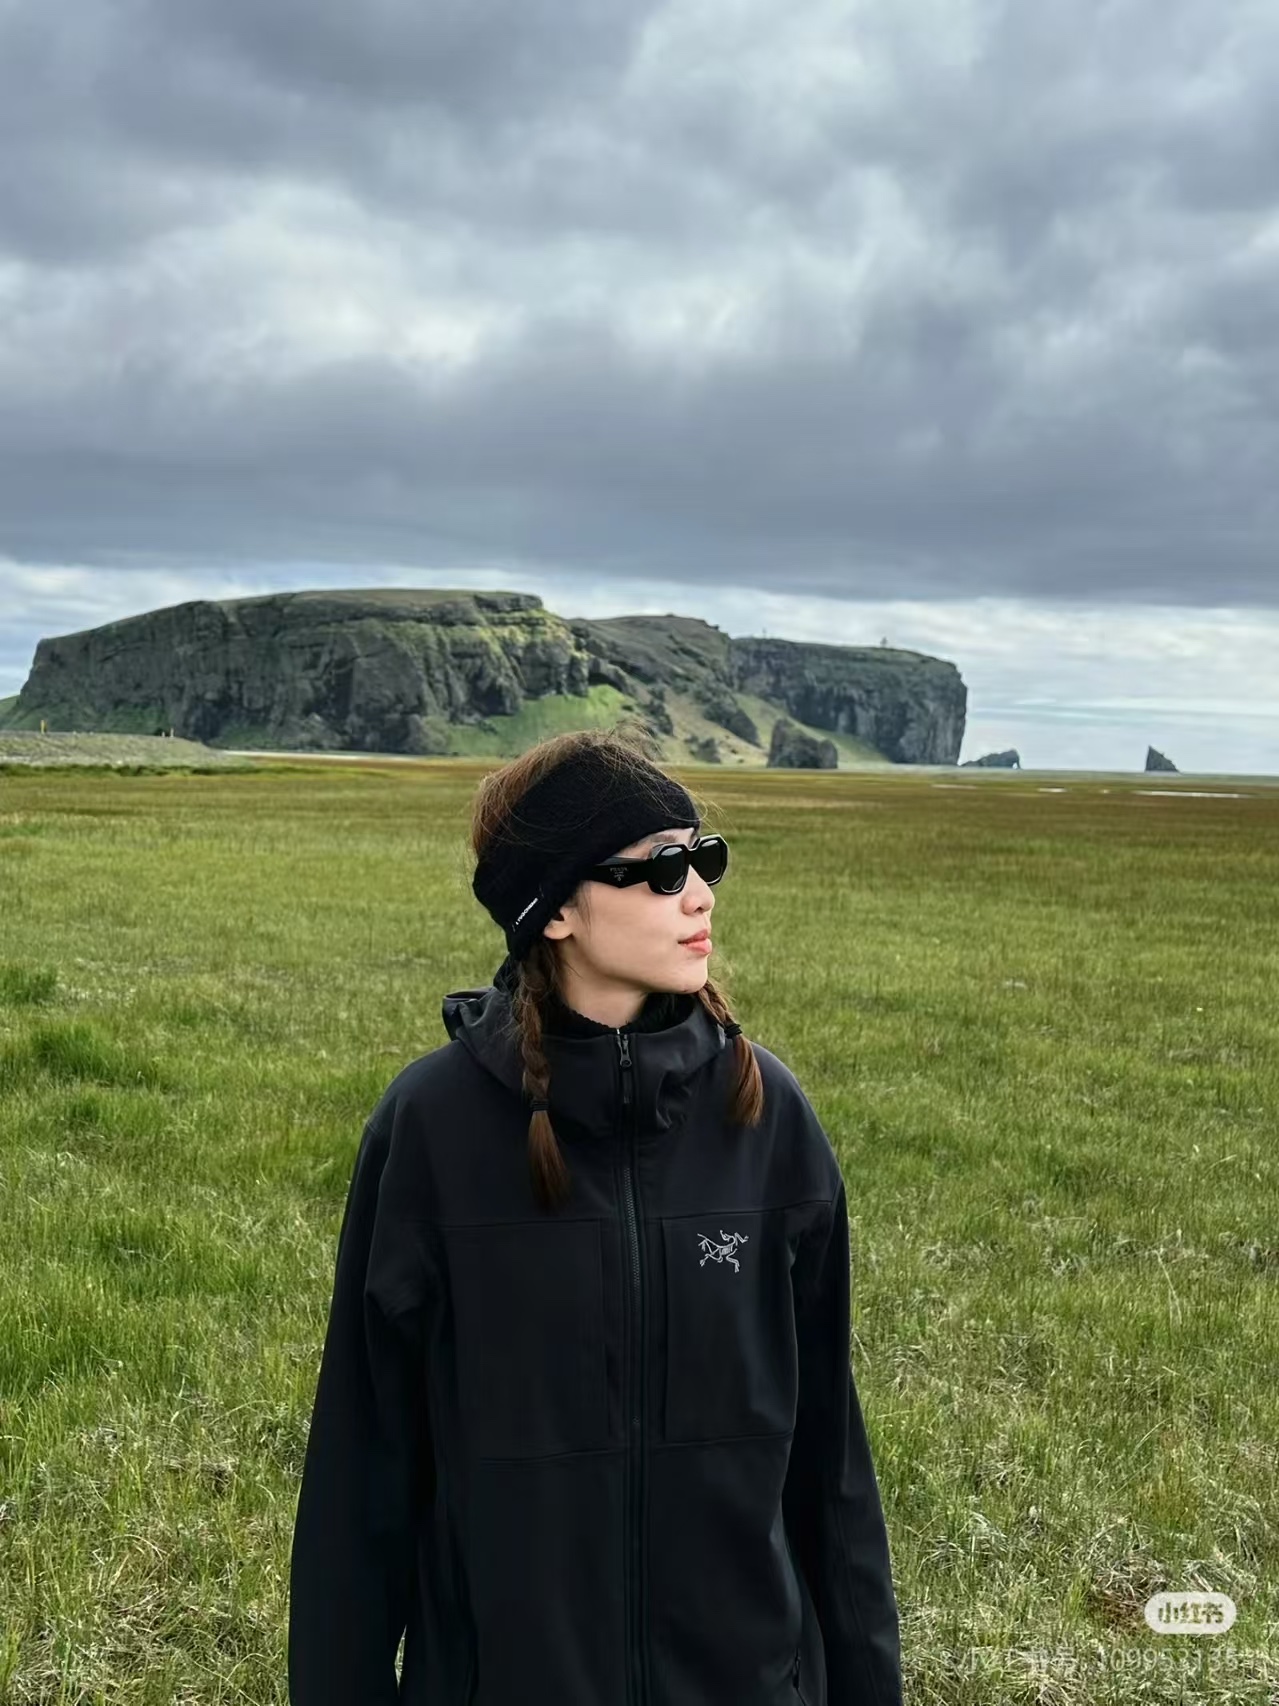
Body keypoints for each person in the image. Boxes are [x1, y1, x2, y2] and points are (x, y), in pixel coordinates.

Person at [288, 724, 902, 1706]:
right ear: (557, 910)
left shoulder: (767, 1117)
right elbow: (361, 1481)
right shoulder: (433, 1129)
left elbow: (831, 1468)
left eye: (704, 860)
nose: (698, 895)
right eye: (660, 869)